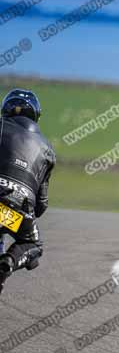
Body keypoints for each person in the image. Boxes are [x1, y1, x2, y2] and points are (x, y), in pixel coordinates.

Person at [0, 89, 56, 295]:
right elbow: (41, 204)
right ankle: (8, 261)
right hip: (14, 212)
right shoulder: (48, 150)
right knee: (32, 243)